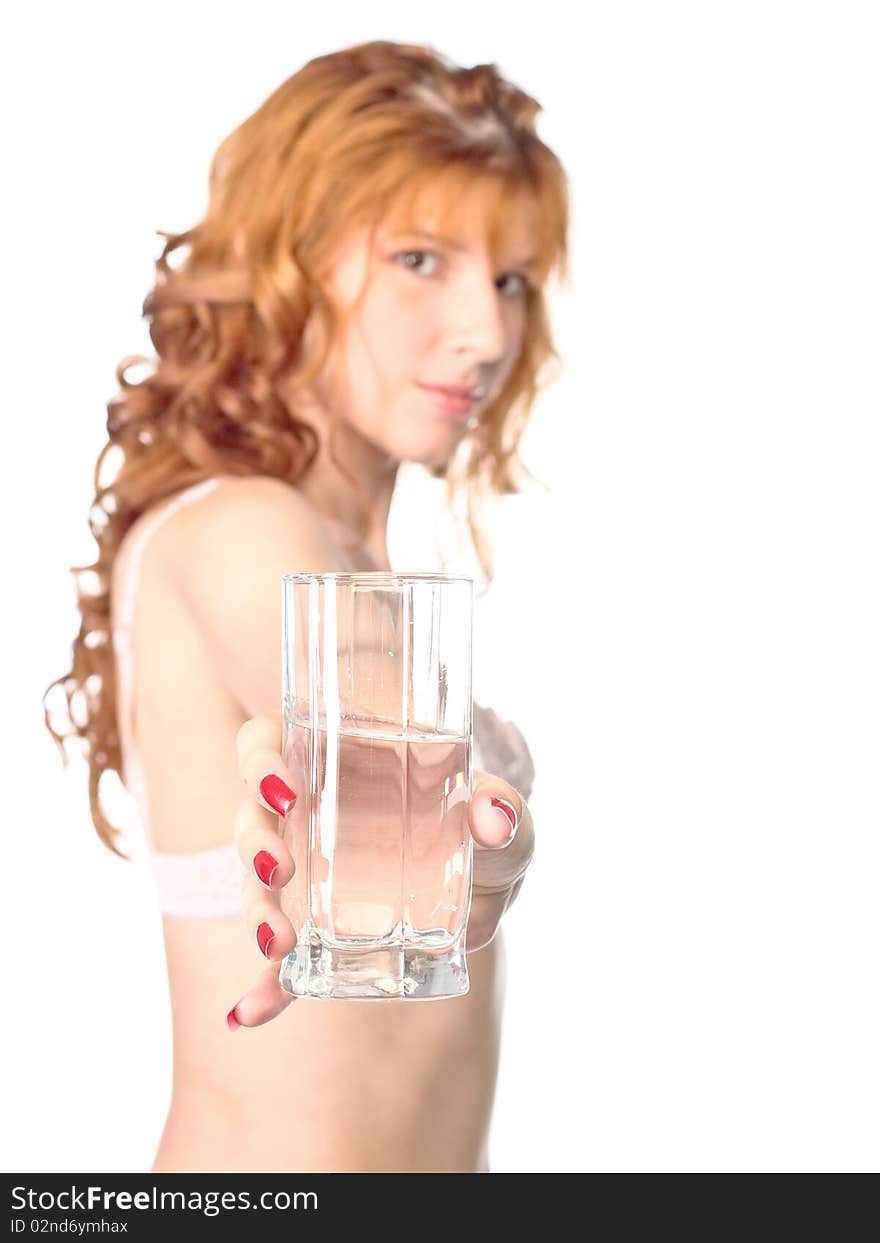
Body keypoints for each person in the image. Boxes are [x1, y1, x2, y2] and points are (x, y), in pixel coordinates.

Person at [43, 39, 570, 1173]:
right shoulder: (246, 529)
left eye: (510, 278)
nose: (484, 332)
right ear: (291, 259)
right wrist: (474, 838)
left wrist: (476, 837)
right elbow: (377, 726)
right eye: (421, 258)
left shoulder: (343, 546)